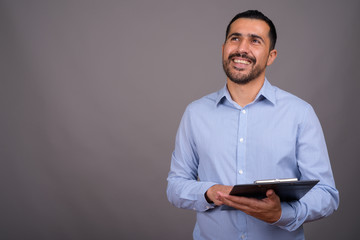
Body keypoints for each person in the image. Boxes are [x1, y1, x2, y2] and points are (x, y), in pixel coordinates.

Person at [166, 10, 339, 240]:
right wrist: (208, 192)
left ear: (271, 56)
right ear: (223, 48)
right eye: (235, 38)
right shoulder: (195, 113)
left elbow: (326, 194)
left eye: (255, 41)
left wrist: (282, 213)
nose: (242, 48)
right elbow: (175, 186)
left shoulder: (300, 113)